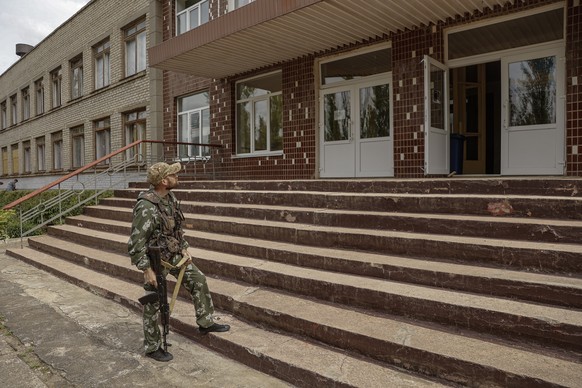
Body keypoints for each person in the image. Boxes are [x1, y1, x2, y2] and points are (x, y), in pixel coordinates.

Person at [128, 162, 230, 362]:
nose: (178, 177)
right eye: (174, 175)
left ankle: (205, 321)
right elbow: (136, 242)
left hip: (174, 253)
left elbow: (176, 227)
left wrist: (184, 247)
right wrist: (146, 269)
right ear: (164, 181)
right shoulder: (147, 206)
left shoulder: (170, 198)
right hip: (155, 260)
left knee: (198, 280)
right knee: (153, 302)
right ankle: (152, 346)